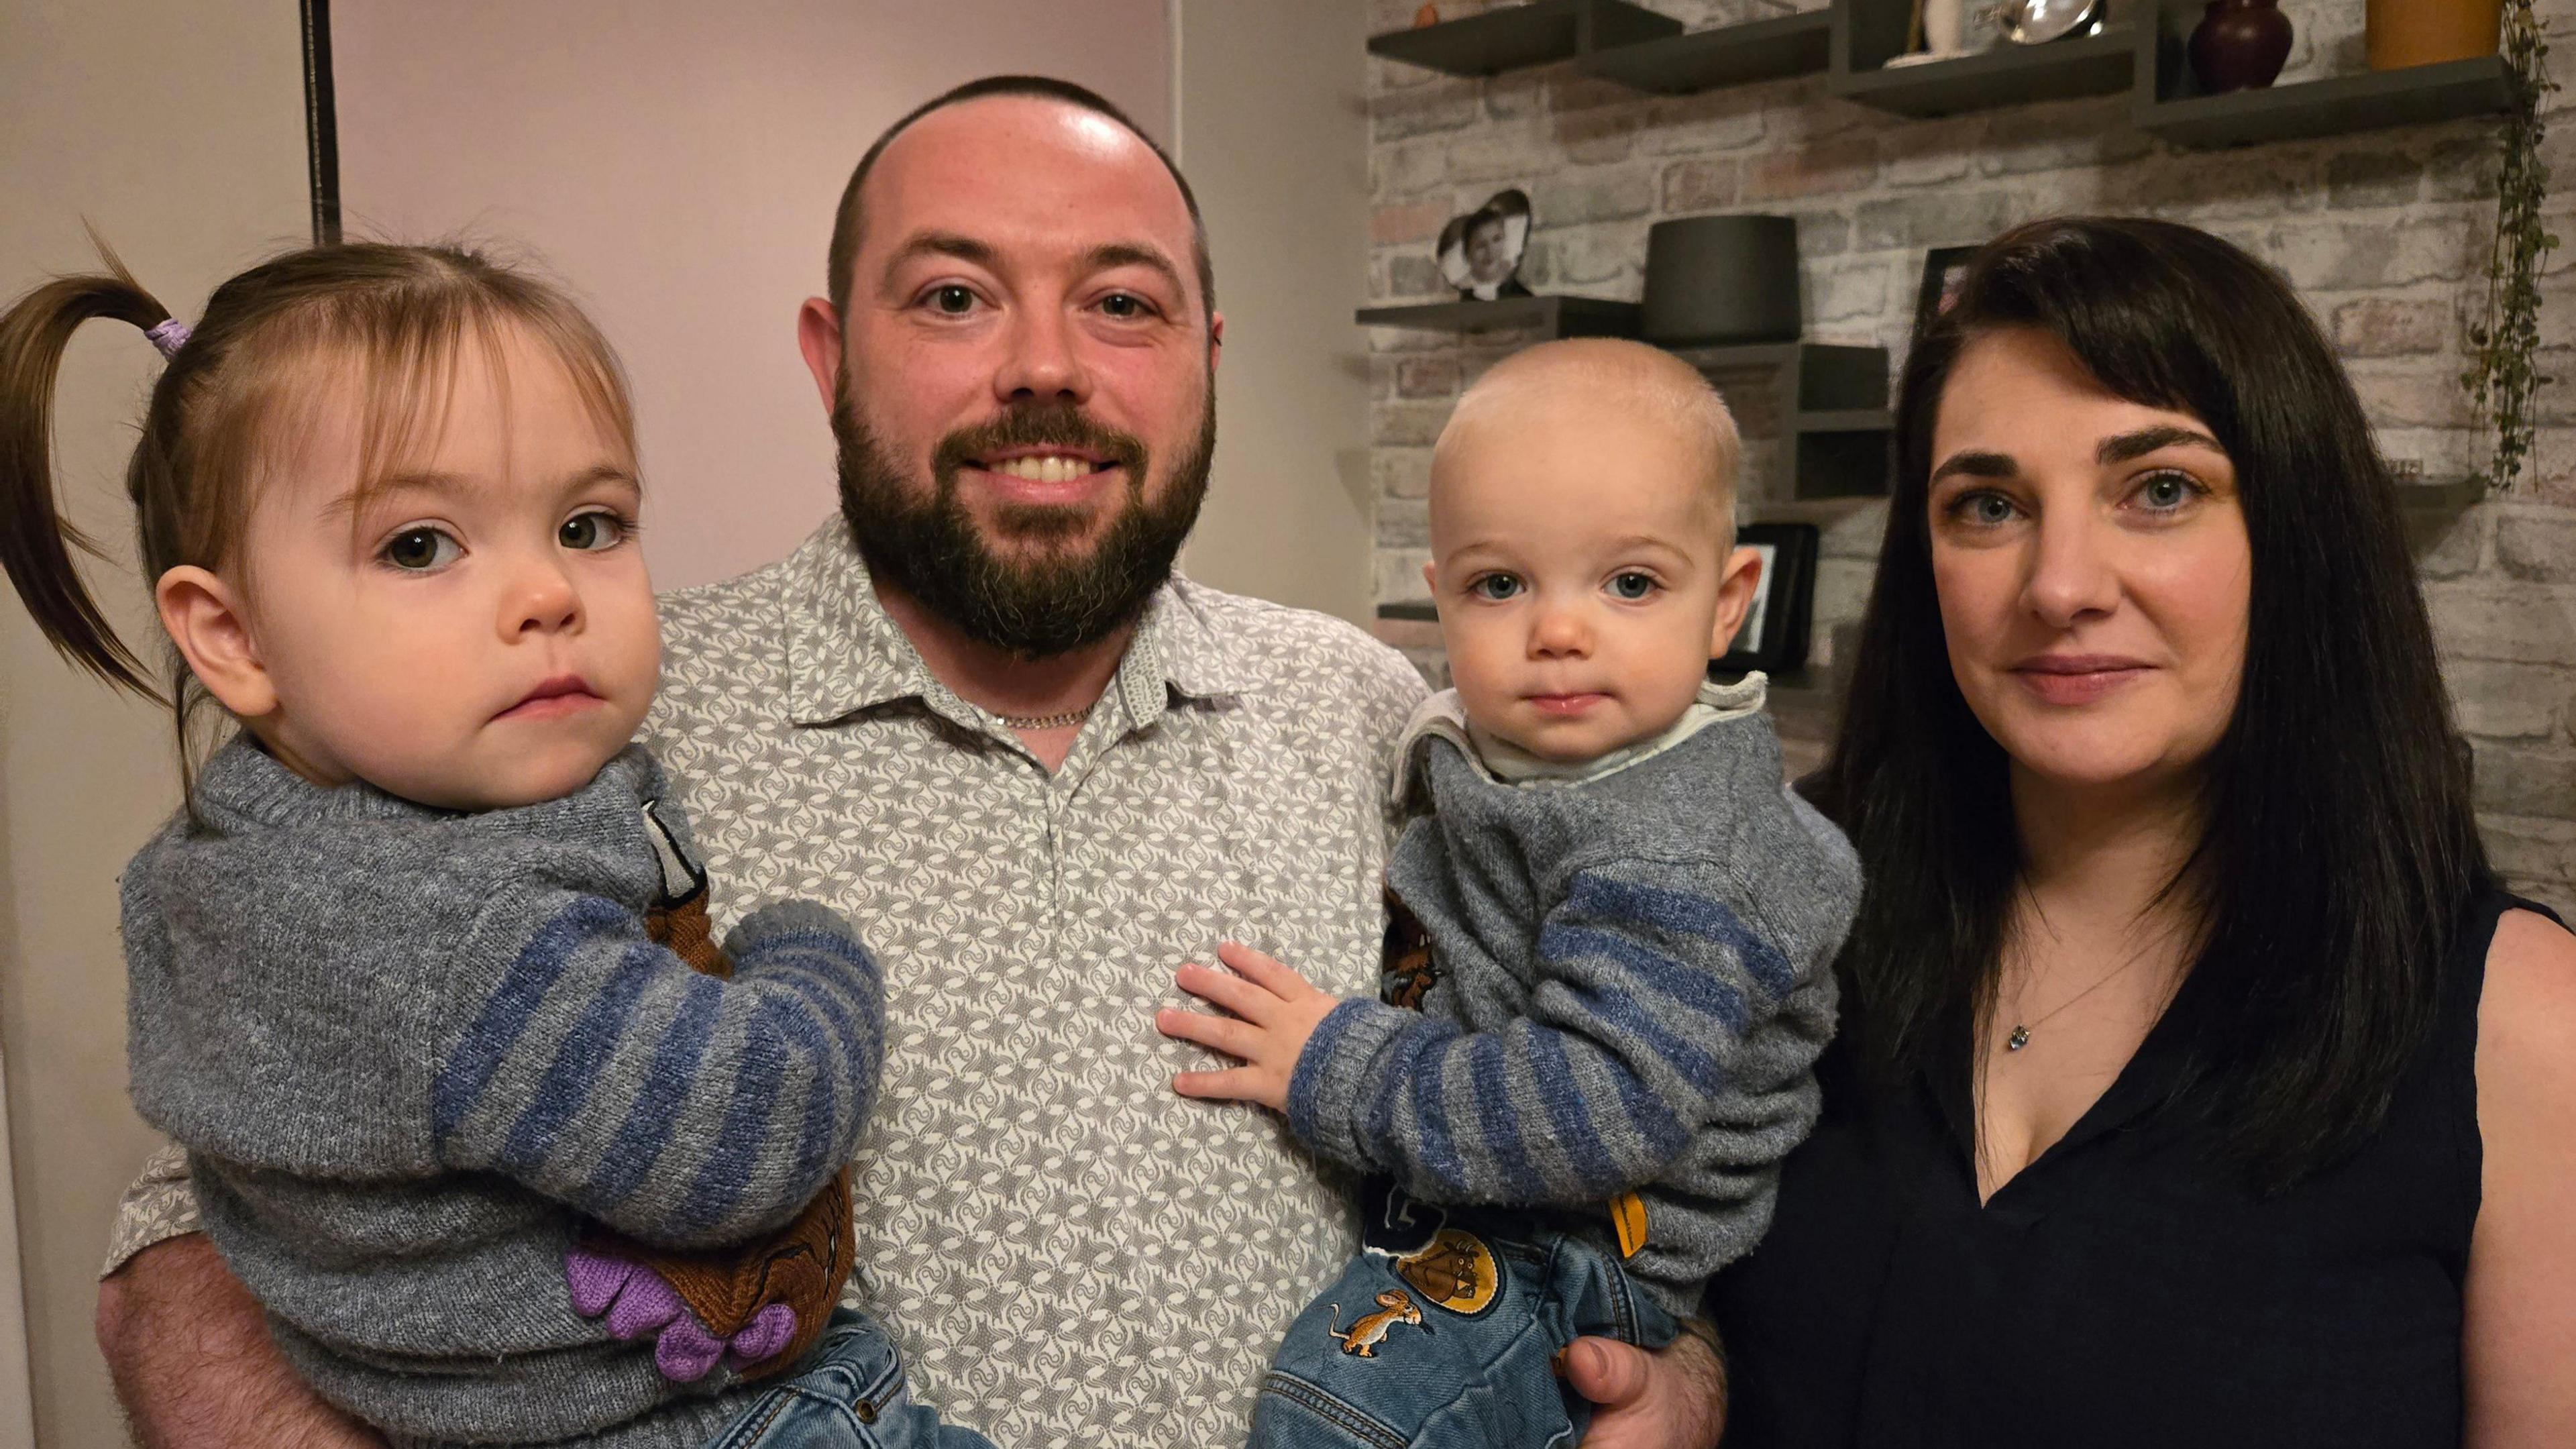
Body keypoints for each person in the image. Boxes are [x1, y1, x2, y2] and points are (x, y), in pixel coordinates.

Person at [90, 78, 1732, 1448]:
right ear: (829, 355)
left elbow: (1605, 1105)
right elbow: (208, 1226)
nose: (1046, 368)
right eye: (953, 297)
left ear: (1207, 355)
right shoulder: (579, 726)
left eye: (1124, 303)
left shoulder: (1384, 721)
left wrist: (1680, 1381)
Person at [0, 242, 992, 1448]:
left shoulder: (237, 848)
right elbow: (743, 1127)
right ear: (234, 636)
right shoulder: (446, 935)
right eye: (420, 544)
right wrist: (812, 951)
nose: (547, 593)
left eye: (589, 523)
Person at [1705, 217, 2576, 1446]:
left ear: (2296, 532)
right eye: (1990, 504)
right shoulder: (1784, 894)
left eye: (2160, 490)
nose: (2062, 584)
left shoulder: (2521, 1029)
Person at [1155, 340, 1860, 1446]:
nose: (1559, 632)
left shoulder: (1681, 856)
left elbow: (1596, 1112)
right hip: (1481, 1188)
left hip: (1585, 1247)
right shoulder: (1489, 742)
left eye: (1631, 583)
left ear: (1728, 605)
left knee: (1338, 1415)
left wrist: (1333, 1063)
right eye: (1500, 584)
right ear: (1440, 599)